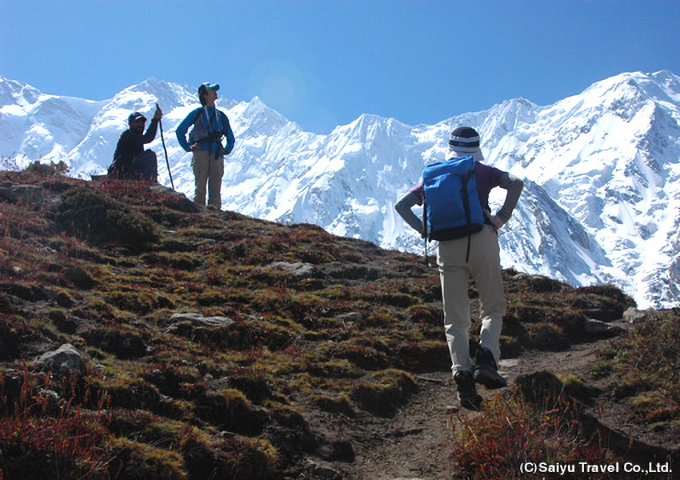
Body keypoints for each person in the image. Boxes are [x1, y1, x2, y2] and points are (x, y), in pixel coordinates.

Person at [395, 126, 524, 410]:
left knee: (455, 318)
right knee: (492, 306)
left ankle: (463, 378)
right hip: (481, 238)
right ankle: (487, 360)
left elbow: (401, 205)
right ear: (476, 148)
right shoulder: (483, 171)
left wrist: (425, 231)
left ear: (450, 148)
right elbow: (516, 182)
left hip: (446, 246)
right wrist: (501, 217)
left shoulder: (435, 175)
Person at [176, 82, 236, 210]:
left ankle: (208, 218)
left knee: (213, 189)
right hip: (209, 153)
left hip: (208, 153)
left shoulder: (220, 116)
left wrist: (227, 149)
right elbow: (180, 131)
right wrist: (188, 147)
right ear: (204, 94)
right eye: (212, 90)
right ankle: (202, 217)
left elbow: (231, 137)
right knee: (202, 188)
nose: (215, 92)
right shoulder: (200, 113)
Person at [108, 105, 162, 181]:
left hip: (129, 170)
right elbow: (148, 138)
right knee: (150, 155)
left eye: (142, 123)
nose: (140, 125)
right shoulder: (128, 135)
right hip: (123, 171)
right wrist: (155, 120)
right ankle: (150, 181)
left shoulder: (136, 137)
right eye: (137, 122)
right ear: (130, 124)